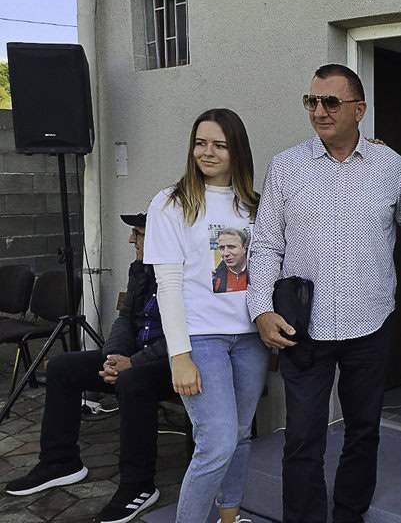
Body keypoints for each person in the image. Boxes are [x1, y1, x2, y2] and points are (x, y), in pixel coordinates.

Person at [248, 64, 401, 523]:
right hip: (304, 330)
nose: (319, 111)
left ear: (359, 110)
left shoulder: (391, 166)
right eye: (312, 102)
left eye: (330, 102)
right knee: (302, 439)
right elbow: (265, 244)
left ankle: (349, 515)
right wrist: (261, 308)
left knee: (363, 432)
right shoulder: (286, 166)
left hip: (370, 325)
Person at [4, 211, 172, 523]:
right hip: (133, 359)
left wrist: (131, 364)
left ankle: (138, 485)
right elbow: (125, 319)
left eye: (139, 233)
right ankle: (60, 462)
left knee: (133, 382)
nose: (131, 239)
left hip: (171, 364)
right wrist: (115, 357)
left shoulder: (185, 274)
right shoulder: (141, 270)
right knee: (62, 367)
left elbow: (187, 335)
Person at [145, 108, 265, 523]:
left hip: (251, 340)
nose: (207, 152)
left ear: (238, 151)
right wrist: (180, 354)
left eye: (219, 144)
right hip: (203, 342)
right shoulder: (170, 203)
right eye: (200, 142)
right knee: (215, 442)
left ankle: (229, 518)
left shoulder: (253, 204)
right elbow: (169, 286)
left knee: (240, 435)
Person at [212, 227, 249, 293]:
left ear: (244, 248)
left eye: (231, 247)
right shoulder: (215, 279)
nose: (226, 253)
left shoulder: (259, 273)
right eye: (222, 248)